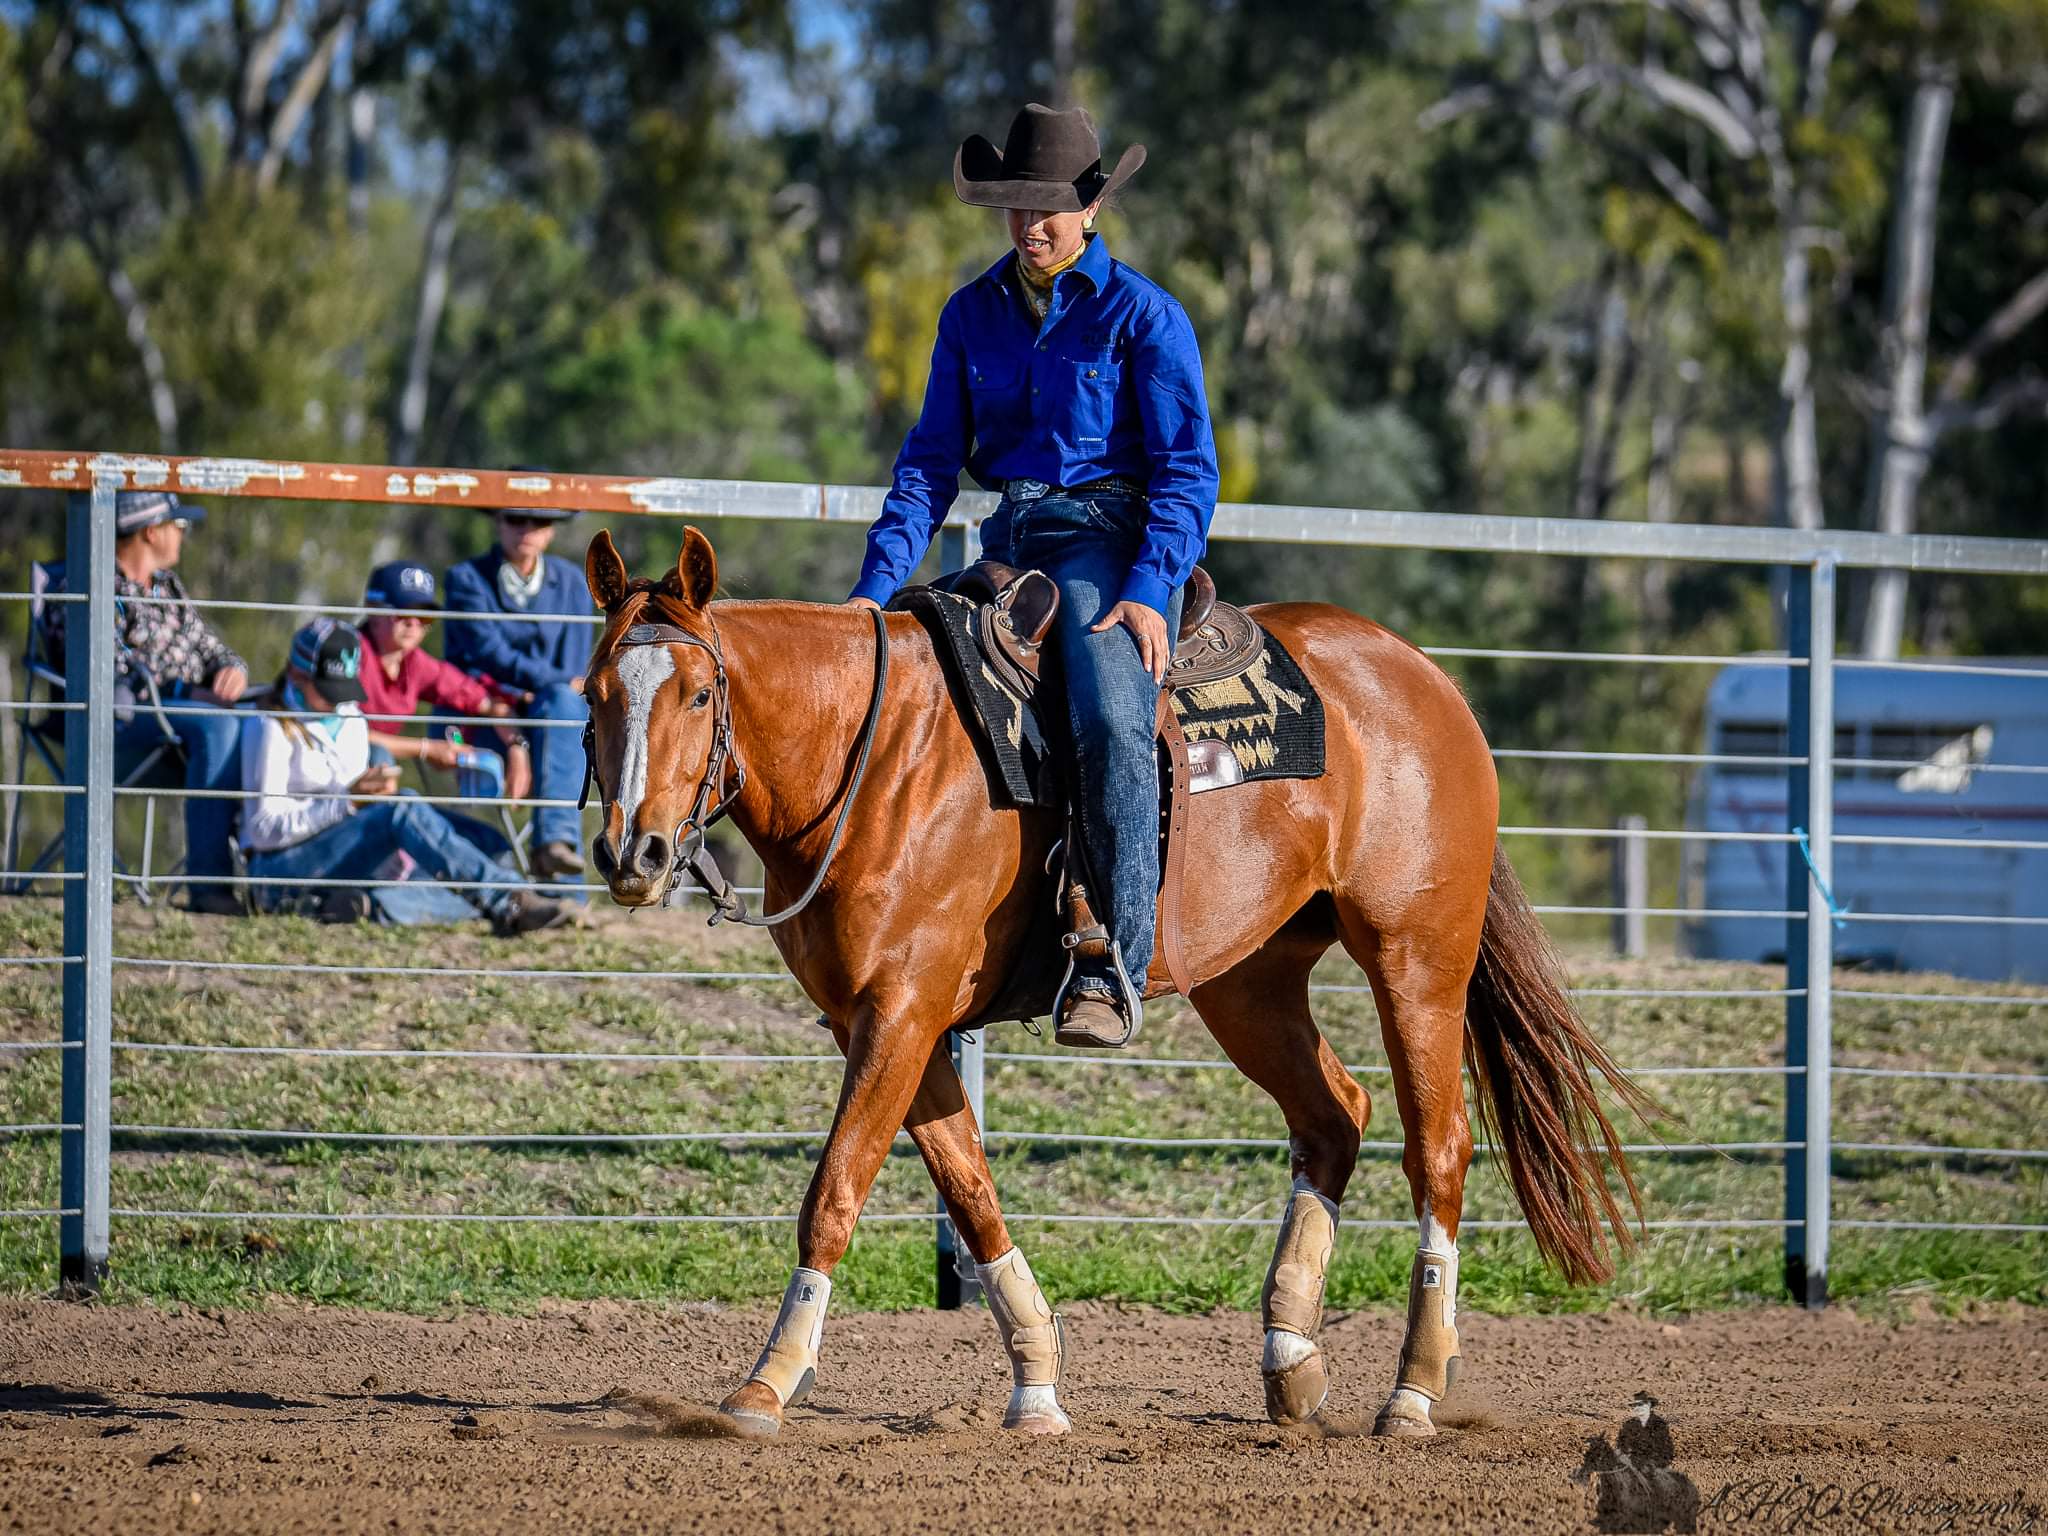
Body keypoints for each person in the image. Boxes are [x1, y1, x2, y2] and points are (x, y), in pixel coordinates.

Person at [847, 103, 1220, 1048]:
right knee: (908, 688)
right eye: (1016, 205)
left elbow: (1187, 472)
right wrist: (874, 592)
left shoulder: (1143, 315)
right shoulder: (970, 314)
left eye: (1048, 206)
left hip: (1105, 538)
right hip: (1006, 541)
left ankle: (1112, 963)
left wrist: (1148, 589)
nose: (1030, 224)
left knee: (1111, 718)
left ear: (1090, 207)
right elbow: (929, 465)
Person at [239, 618, 569, 936]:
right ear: (298, 676)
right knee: (403, 808)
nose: (337, 701)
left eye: (343, 689)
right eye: (328, 690)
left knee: (480, 849)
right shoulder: (270, 727)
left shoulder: (350, 717)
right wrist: (349, 802)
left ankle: (375, 906)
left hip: (340, 858)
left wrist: (375, 824)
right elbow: (262, 830)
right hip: (280, 869)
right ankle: (510, 900)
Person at [46, 490, 249, 914]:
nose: (183, 534)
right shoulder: (91, 586)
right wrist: (187, 693)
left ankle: (277, 880)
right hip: (121, 722)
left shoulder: (166, 586)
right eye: (179, 525)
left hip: (186, 716)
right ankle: (209, 885)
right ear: (151, 531)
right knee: (220, 727)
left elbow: (210, 647)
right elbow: (108, 673)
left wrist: (232, 669)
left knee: (265, 722)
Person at [442, 499, 592, 882]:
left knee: (563, 707)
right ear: (498, 521)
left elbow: (574, 669)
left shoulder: (572, 581)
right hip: (481, 718)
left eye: (539, 520)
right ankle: (552, 870)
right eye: (515, 519)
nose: (526, 529)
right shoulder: (466, 578)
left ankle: (555, 852)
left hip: (554, 720)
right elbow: (485, 653)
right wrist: (542, 691)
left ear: (552, 529)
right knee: (562, 706)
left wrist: (550, 690)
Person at [357, 560, 529, 802]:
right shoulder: (350, 652)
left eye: (424, 617)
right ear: (373, 609)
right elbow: (343, 734)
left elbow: (489, 703)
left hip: (370, 769)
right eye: (403, 612)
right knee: (379, 759)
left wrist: (517, 746)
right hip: (333, 767)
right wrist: (426, 749)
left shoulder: (415, 663)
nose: (413, 624)